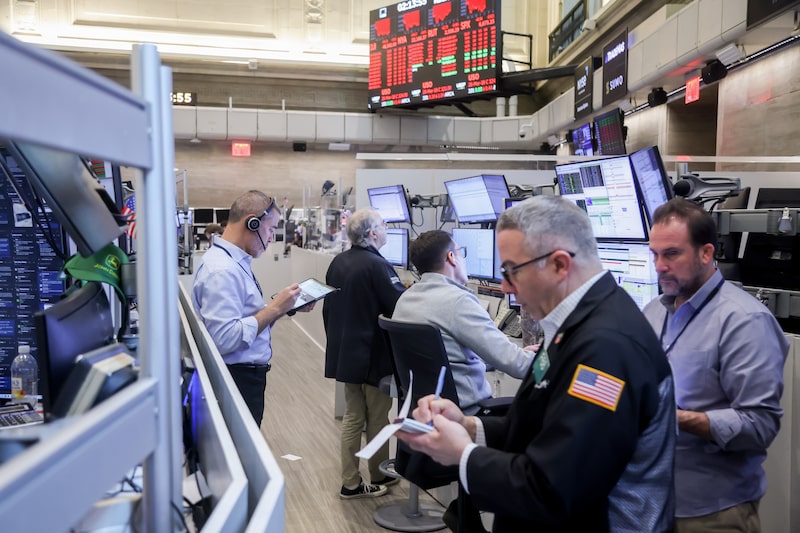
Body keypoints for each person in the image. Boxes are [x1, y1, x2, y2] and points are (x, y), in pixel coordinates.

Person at [397, 195, 676, 532]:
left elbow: (554, 488)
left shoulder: (606, 350)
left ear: (559, 265)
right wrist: (471, 427)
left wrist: (464, 453)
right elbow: (545, 424)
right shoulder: (574, 327)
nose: (504, 287)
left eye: (512, 271)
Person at [643, 197, 789, 532]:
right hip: (649, 504)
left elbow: (760, 425)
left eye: (671, 254)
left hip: (711, 514)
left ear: (706, 253)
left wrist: (676, 418)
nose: (659, 266)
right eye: (655, 254)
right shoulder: (652, 312)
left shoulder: (745, 321)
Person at [192, 190, 307, 424]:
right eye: (271, 229)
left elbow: (242, 314)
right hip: (237, 379)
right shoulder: (223, 271)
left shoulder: (232, 262)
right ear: (252, 222)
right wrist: (274, 308)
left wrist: (283, 307)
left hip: (243, 378)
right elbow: (225, 338)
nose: (272, 237)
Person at [393, 230, 534, 414]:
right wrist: (551, 360)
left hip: (425, 412)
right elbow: (519, 367)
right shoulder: (459, 302)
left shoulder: (405, 299)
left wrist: (508, 355)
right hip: (467, 416)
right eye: (462, 253)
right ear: (452, 257)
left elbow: (445, 358)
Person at [323, 208, 406, 499]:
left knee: (353, 417)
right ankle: (380, 474)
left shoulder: (339, 262)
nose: (386, 229)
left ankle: (350, 481)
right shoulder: (378, 266)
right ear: (372, 234)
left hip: (347, 355)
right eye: (384, 225)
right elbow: (400, 306)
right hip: (374, 356)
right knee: (378, 417)